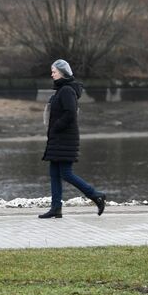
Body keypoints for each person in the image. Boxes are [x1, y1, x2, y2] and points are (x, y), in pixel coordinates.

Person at [39, 59, 106, 218]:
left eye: (54, 71)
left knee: (66, 173)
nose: (51, 74)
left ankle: (95, 195)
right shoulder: (61, 90)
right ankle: (56, 208)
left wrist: (56, 127)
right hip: (57, 139)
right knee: (54, 173)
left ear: (62, 73)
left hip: (65, 139)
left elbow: (70, 113)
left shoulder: (67, 91)